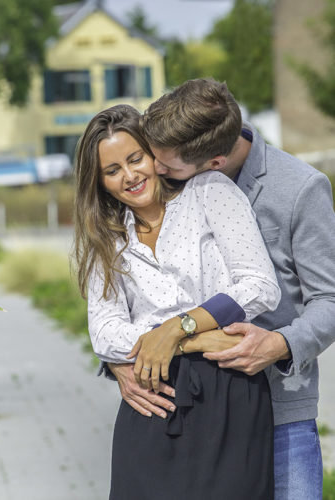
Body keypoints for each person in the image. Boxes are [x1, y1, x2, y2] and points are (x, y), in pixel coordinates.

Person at [108, 78, 335, 499]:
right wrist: (120, 360)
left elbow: (330, 300)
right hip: (199, 410)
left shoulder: (300, 189)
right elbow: (135, 285)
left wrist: (281, 344)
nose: (154, 171)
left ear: (213, 162)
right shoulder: (176, 163)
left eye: (167, 166)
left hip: (281, 407)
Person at [74, 103, 281, 499]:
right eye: (112, 170)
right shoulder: (109, 238)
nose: (130, 176)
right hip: (151, 397)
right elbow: (104, 332)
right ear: (99, 182)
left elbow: (259, 286)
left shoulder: (209, 192)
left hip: (229, 392)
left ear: (154, 154)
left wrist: (178, 327)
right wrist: (191, 339)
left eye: (136, 159)